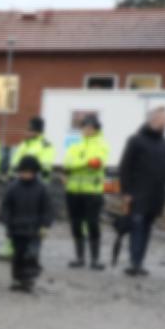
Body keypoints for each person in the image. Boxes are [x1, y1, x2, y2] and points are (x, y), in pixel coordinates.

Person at [117, 106, 165, 277]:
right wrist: (126, 192)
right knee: (137, 227)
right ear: (153, 120)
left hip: (156, 196)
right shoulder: (136, 140)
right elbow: (125, 167)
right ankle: (134, 262)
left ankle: (140, 261)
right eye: (164, 119)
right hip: (137, 194)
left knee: (147, 229)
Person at [1, 155, 53, 292]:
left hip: (34, 230)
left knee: (31, 255)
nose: (26, 175)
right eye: (23, 172)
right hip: (16, 229)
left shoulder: (42, 188)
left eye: (29, 172)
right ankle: (17, 278)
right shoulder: (13, 187)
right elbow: (6, 206)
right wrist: (7, 222)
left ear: (35, 172)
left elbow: (47, 209)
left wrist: (45, 225)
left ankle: (28, 279)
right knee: (18, 255)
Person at [62, 114, 108, 270]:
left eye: (90, 127)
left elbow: (96, 163)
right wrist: (84, 164)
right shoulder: (75, 145)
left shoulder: (101, 145)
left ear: (96, 129)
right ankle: (79, 257)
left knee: (92, 224)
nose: (86, 130)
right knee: (76, 224)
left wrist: (76, 165)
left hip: (92, 191)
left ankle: (95, 259)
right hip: (73, 190)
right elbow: (67, 164)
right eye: (84, 127)